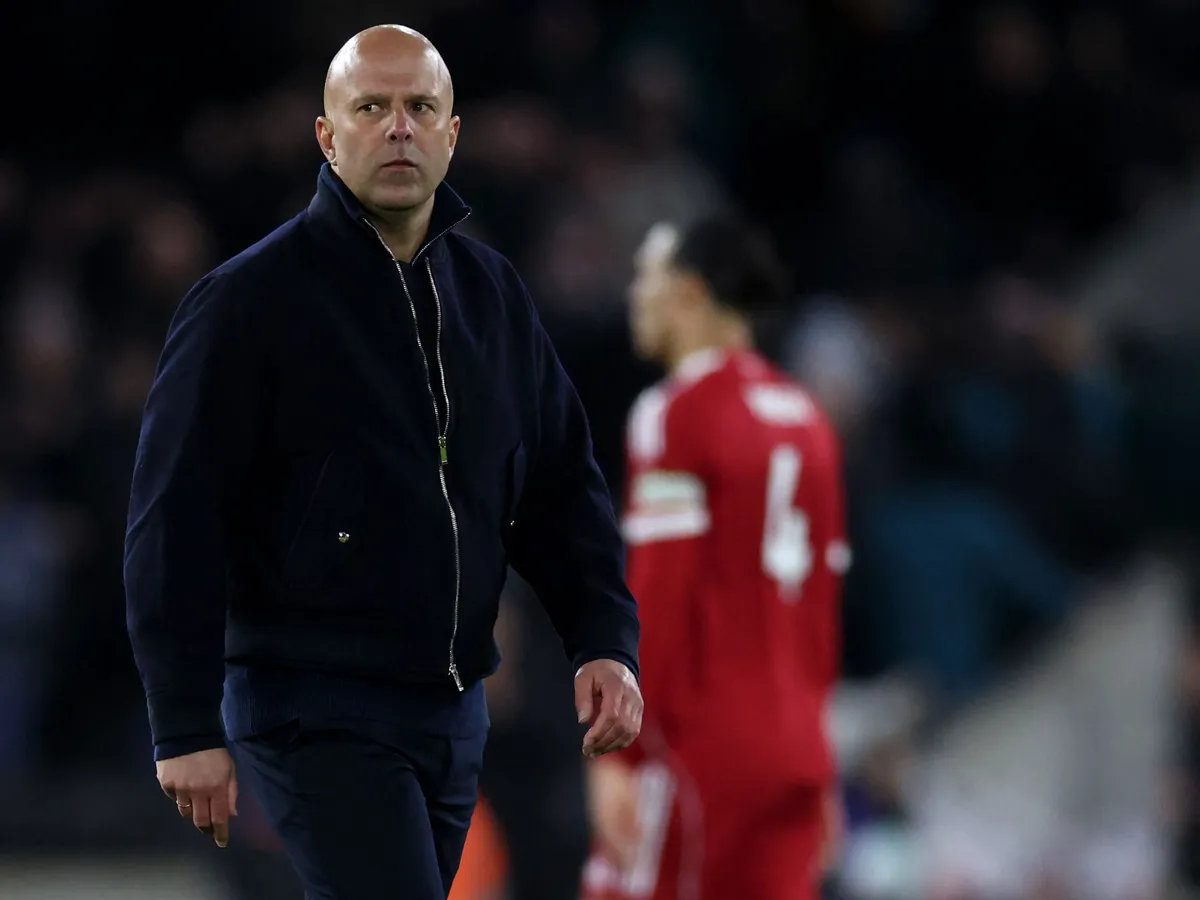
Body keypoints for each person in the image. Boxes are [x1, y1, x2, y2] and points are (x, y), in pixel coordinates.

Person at [124, 24, 643, 900]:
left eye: (419, 108)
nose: (398, 127)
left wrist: (603, 639)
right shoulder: (247, 303)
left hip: (452, 710)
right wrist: (181, 723)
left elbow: (560, 486)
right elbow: (172, 520)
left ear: (452, 134)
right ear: (328, 136)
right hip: (312, 705)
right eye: (371, 108)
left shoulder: (492, 296)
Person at [581, 217, 848, 900]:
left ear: (691, 293)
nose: (635, 294)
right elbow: (818, 613)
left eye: (647, 276)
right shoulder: (807, 419)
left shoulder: (676, 414)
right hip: (796, 753)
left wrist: (625, 753)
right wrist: (822, 763)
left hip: (701, 751)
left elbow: (660, 594)